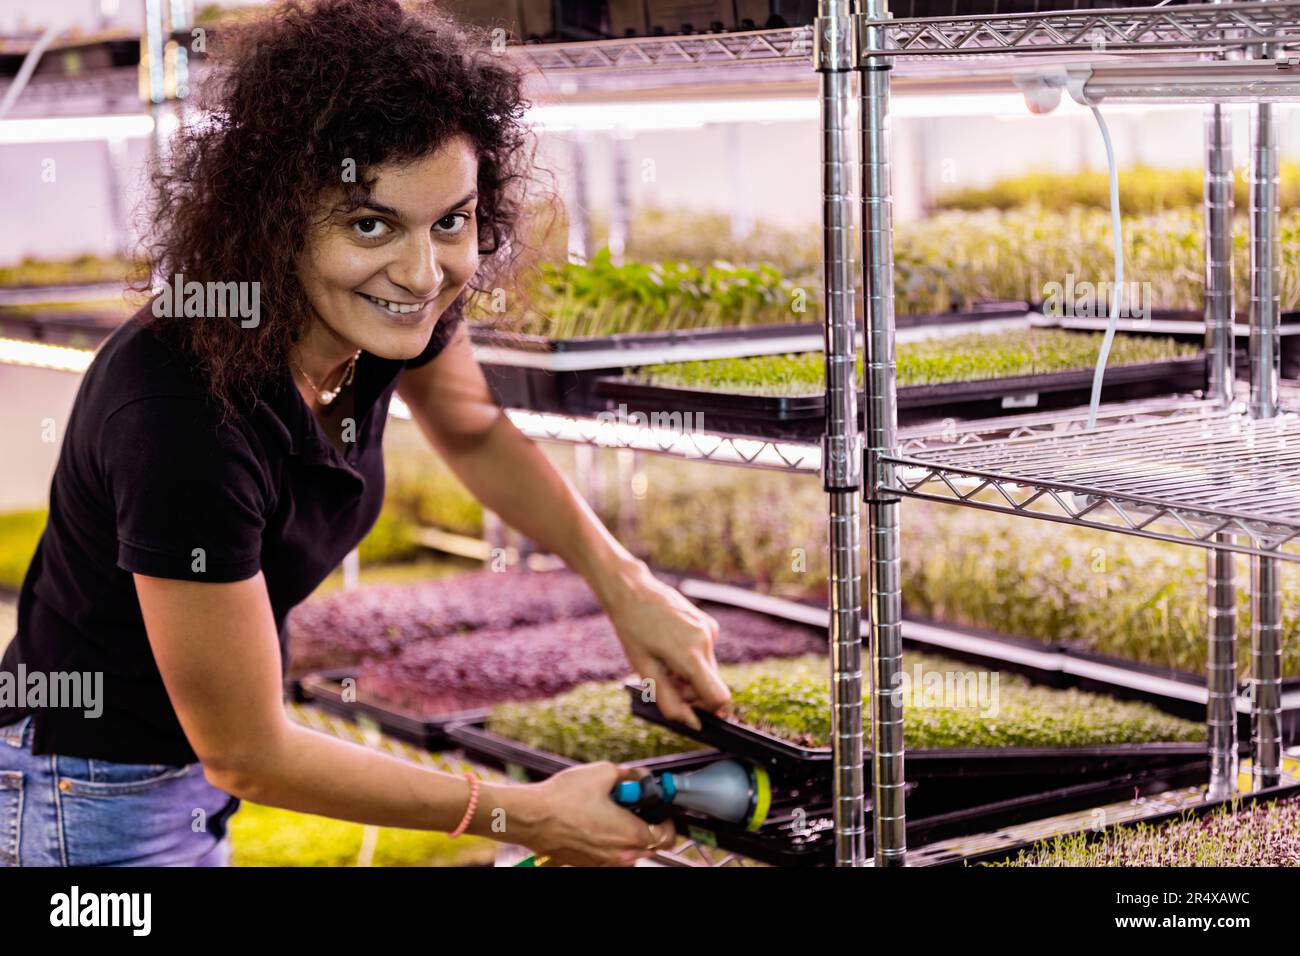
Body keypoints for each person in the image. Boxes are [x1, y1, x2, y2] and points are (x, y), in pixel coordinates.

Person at [0, 0, 732, 867]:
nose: (425, 275)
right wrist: (523, 816)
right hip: (89, 796)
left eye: (452, 220)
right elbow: (252, 753)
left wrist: (625, 584)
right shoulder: (182, 415)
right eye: (370, 224)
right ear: (272, 219)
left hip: (193, 777)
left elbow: (470, 428)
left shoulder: (389, 313)